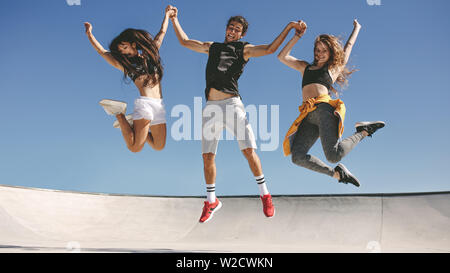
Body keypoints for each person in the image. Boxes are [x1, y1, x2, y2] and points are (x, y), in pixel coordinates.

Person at [168, 6, 304, 223]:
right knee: (207, 157)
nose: (232, 31)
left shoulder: (243, 49)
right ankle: (211, 200)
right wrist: (174, 19)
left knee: (249, 151)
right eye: (230, 27)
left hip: (232, 104)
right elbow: (185, 41)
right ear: (226, 28)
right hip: (210, 107)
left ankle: (265, 195)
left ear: (242, 34)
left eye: (237, 29)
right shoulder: (212, 47)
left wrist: (289, 27)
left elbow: (269, 49)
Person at [278, 19, 385, 187]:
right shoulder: (304, 67)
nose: (319, 54)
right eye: (317, 50)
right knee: (297, 156)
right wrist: (296, 35)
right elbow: (282, 56)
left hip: (323, 111)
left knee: (334, 155)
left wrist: (357, 28)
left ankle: (363, 131)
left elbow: (348, 47)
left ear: (331, 53)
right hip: (307, 116)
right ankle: (336, 174)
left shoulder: (332, 70)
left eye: (324, 51)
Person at [84, 6, 175, 153]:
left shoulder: (151, 54)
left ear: (133, 44)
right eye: (120, 51)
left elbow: (162, 32)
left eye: (124, 47)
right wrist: (90, 35)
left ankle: (132, 122)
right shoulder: (127, 65)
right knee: (134, 147)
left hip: (159, 105)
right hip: (145, 104)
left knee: (159, 146)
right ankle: (119, 113)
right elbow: (102, 52)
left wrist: (167, 15)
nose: (123, 52)